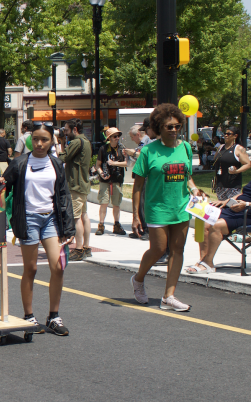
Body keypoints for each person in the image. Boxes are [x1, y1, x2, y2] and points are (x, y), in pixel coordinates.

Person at [0, 123, 74, 336]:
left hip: (51, 220)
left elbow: (63, 195)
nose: (39, 143)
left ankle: (53, 316)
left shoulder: (57, 164)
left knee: (58, 266)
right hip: (28, 219)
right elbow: (4, 185)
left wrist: (68, 227)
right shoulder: (20, 162)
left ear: (52, 141)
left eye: (45, 139)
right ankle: (29, 316)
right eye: (36, 139)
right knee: (30, 269)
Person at [130, 104, 203, 311]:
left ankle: (168, 297)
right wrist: (136, 215)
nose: (173, 130)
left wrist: (194, 189)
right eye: (168, 126)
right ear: (159, 127)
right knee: (158, 249)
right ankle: (138, 278)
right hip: (157, 208)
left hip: (181, 207)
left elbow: (187, 176)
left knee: (177, 250)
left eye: (177, 126)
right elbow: (138, 186)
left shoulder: (186, 148)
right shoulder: (149, 151)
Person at [184, 182, 251, 274]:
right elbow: (244, 194)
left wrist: (247, 204)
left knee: (217, 225)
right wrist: (226, 201)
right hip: (235, 209)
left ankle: (208, 263)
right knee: (204, 219)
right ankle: (203, 259)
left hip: (247, 214)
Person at [61, 119, 92, 261]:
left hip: (75, 185)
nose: (65, 133)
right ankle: (86, 247)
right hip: (83, 184)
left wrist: (58, 144)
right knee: (84, 216)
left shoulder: (76, 142)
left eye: (67, 130)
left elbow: (63, 157)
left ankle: (79, 249)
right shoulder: (86, 141)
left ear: (74, 129)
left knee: (76, 217)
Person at [95, 128, 128, 236]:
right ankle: (101, 225)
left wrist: (114, 164)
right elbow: (98, 165)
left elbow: (126, 163)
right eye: (114, 136)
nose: (117, 138)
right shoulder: (103, 149)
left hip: (117, 180)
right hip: (105, 181)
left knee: (116, 204)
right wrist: (101, 174)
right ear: (109, 138)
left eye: (118, 136)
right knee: (104, 203)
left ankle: (117, 225)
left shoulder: (122, 148)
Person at [210, 126, 250, 201]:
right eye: (225, 133)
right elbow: (215, 160)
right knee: (222, 207)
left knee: (231, 207)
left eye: (229, 134)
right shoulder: (221, 147)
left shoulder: (239, 149)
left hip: (233, 186)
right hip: (220, 184)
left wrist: (236, 171)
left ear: (235, 136)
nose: (226, 135)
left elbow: (248, 164)